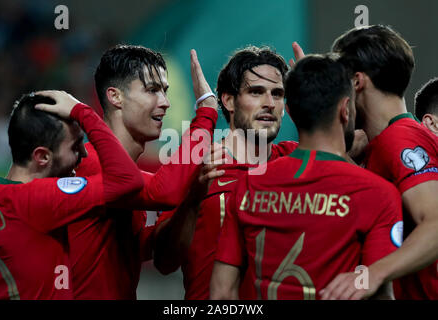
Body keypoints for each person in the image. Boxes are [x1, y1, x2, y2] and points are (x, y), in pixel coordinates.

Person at [210, 54, 403, 300]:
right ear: (345, 110)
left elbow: (222, 293)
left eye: (278, 94)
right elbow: (380, 292)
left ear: (290, 110)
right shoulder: (378, 194)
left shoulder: (250, 183)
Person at [68, 45, 223, 299]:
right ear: (115, 97)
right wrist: (206, 112)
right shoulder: (92, 163)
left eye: (165, 91)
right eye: (152, 90)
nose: (166, 103)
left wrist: (192, 200)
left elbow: (164, 260)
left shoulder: (127, 177)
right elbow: (166, 192)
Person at [153, 46, 299, 300]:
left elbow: (359, 142)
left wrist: (317, 95)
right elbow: (164, 262)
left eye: (278, 94)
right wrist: (192, 200)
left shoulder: (296, 160)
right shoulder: (198, 166)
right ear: (228, 100)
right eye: (256, 92)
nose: (269, 103)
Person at [320, 25, 438, 300]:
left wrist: (372, 274)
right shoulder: (385, 141)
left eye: (338, 83)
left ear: (357, 82)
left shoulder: (400, 139)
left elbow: (435, 223)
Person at [0, 91, 143, 299]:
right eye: (75, 145)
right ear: (42, 156)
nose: (84, 152)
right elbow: (127, 180)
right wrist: (84, 113)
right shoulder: (36, 199)